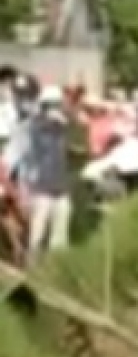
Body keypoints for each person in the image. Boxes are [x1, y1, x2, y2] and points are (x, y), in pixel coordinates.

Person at [23, 85, 72, 263]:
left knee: (60, 231)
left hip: (61, 185)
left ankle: (56, 265)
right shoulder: (36, 125)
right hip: (43, 186)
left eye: (58, 104)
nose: (57, 108)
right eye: (53, 104)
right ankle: (32, 265)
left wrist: (61, 123)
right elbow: (36, 137)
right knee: (38, 230)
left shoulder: (62, 126)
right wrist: (51, 121)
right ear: (44, 105)